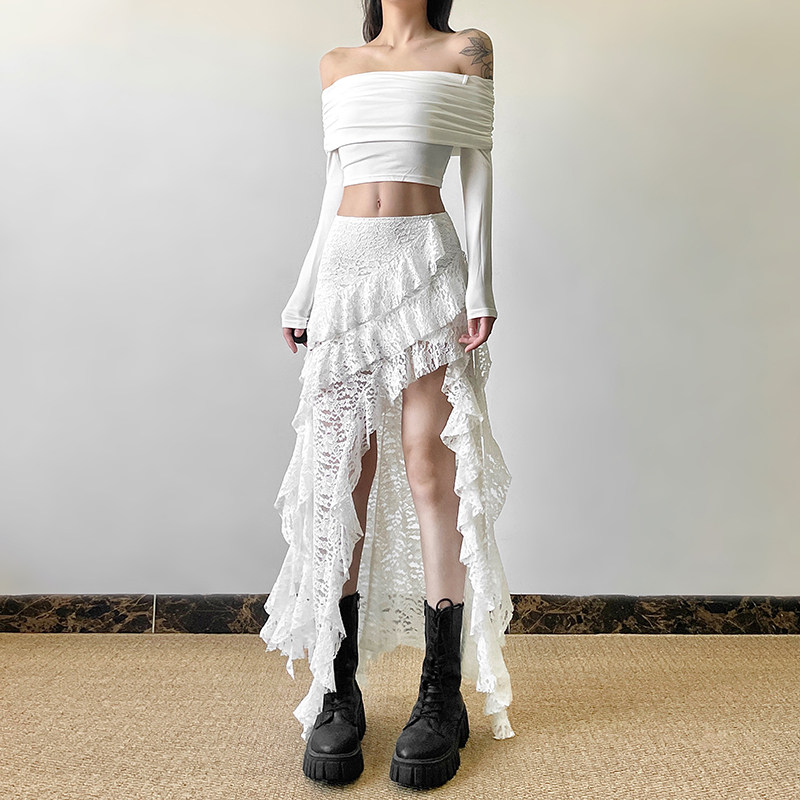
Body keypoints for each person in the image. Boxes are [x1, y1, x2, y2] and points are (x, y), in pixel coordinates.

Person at [260, 0, 515, 790]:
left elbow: (477, 167)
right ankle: (339, 691)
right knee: (342, 473)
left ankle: (441, 694)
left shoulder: (468, 49)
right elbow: (333, 184)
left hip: (425, 265)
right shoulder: (338, 64)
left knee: (429, 464)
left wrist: (481, 286)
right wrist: (303, 291)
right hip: (345, 272)